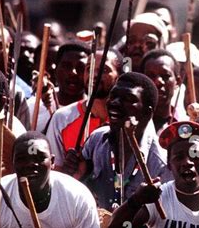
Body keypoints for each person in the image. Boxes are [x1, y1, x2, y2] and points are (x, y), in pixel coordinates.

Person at [64, 72, 170, 211]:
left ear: (147, 112)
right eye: (113, 96)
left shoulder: (161, 165)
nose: (114, 103)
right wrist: (75, 176)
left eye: (128, 99)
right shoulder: (96, 140)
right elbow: (74, 196)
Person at [46, 48, 122, 168]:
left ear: (119, 76)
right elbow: (54, 170)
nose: (94, 75)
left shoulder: (127, 119)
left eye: (104, 69)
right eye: (88, 69)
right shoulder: (62, 118)